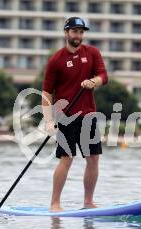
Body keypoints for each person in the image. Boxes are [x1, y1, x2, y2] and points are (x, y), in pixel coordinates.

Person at [41, 17, 108, 212]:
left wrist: (93, 81)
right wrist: (48, 121)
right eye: (74, 31)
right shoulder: (56, 60)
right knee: (67, 158)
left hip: (88, 115)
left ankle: (88, 202)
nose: (78, 35)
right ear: (66, 33)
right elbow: (46, 93)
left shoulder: (93, 53)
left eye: (81, 32)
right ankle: (55, 204)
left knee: (93, 158)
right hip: (66, 116)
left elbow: (104, 76)